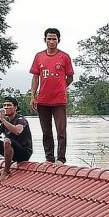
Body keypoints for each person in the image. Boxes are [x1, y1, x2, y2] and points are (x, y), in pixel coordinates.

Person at [29, 27, 74, 165]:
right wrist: (33, 96)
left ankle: (60, 159)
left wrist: (61, 87)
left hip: (59, 101)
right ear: (45, 40)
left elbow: (70, 77)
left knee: (61, 131)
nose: (51, 41)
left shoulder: (64, 57)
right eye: (49, 39)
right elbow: (35, 77)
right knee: (46, 131)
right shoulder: (39, 56)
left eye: (54, 39)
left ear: (58, 40)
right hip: (43, 100)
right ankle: (49, 158)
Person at [0, 96, 33, 183]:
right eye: (4, 105)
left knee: (6, 140)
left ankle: (6, 171)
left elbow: (17, 131)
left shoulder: (21, 119)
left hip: (24, 152)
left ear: (15, 108)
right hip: (10, 149)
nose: (6, 107)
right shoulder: (5, 122)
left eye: (9, 105)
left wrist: (3, 120)